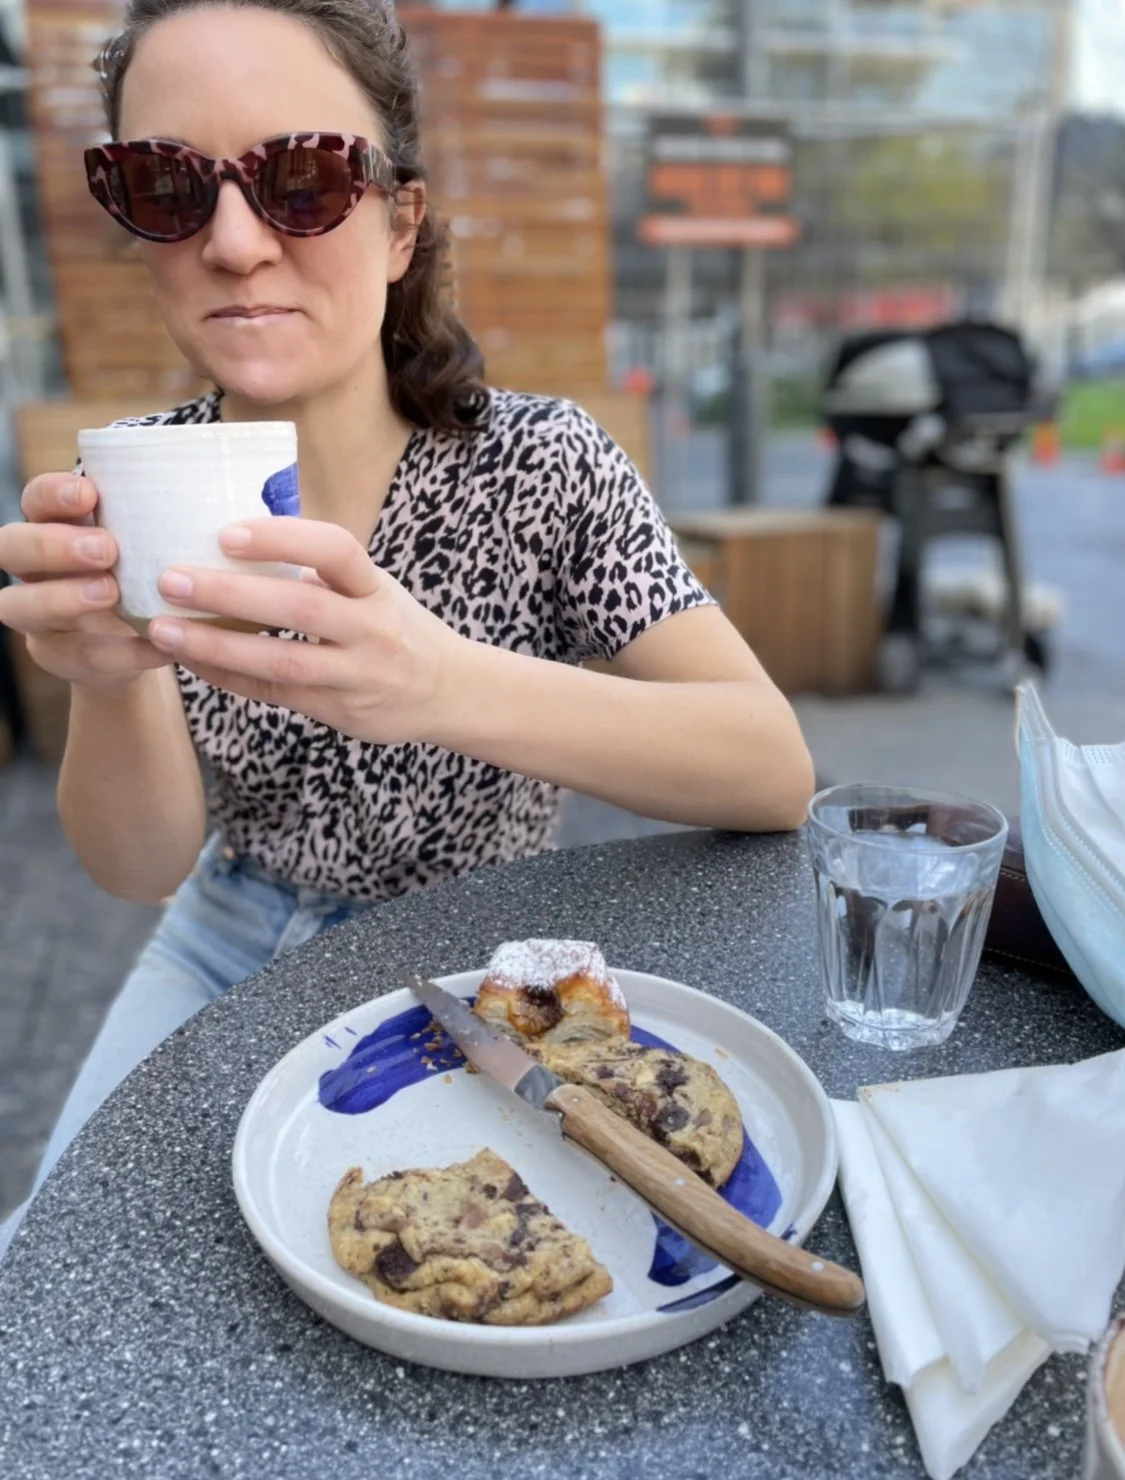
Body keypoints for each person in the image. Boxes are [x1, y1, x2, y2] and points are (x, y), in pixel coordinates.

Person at [0, 0, 814, 1258]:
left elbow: (772, 769)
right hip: (223, 929)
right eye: (168, 185)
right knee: (53, 1257)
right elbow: (143, 864)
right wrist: (107, 681)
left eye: (301, 179)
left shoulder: (541, 464)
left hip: (477, 956)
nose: (234, 242)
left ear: (397, 223)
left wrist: (441, 683)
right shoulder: (143, 483)